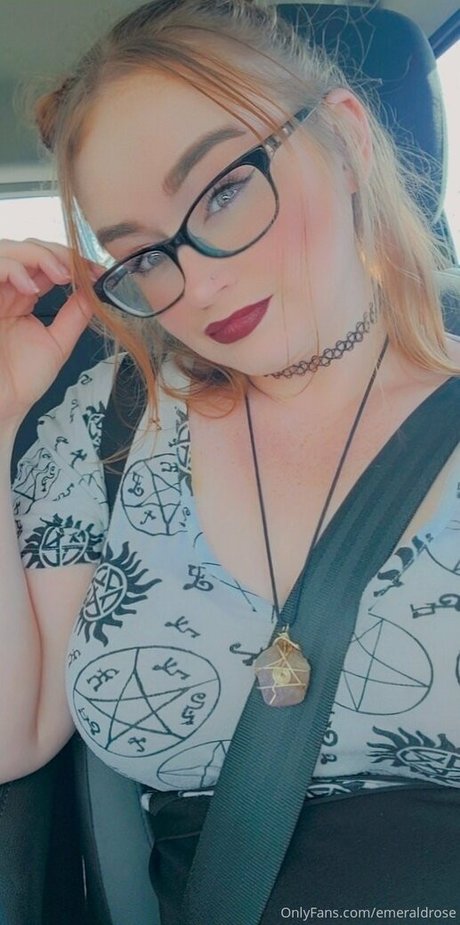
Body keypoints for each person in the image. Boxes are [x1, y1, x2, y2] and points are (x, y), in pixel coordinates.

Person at [1, 0, 459, 921]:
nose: (198, 282)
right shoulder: (104, 427)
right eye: (141, 254)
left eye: (223, 190)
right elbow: (14, 734)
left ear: (346, 137)